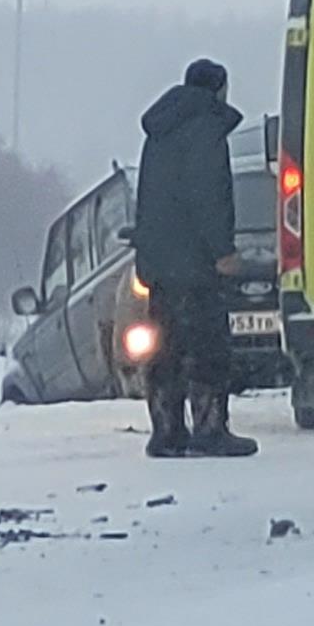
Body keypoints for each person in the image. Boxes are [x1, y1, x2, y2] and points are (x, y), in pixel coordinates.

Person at [131, 58, 257, 460]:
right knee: (207, 347)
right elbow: (208, 196)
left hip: (160, 263)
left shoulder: (161, 132)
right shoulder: (205, 128)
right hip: (195, 265)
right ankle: (209, 429)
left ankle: (166, 433)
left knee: (166, 348)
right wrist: (222, 250)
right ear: (218, 88)